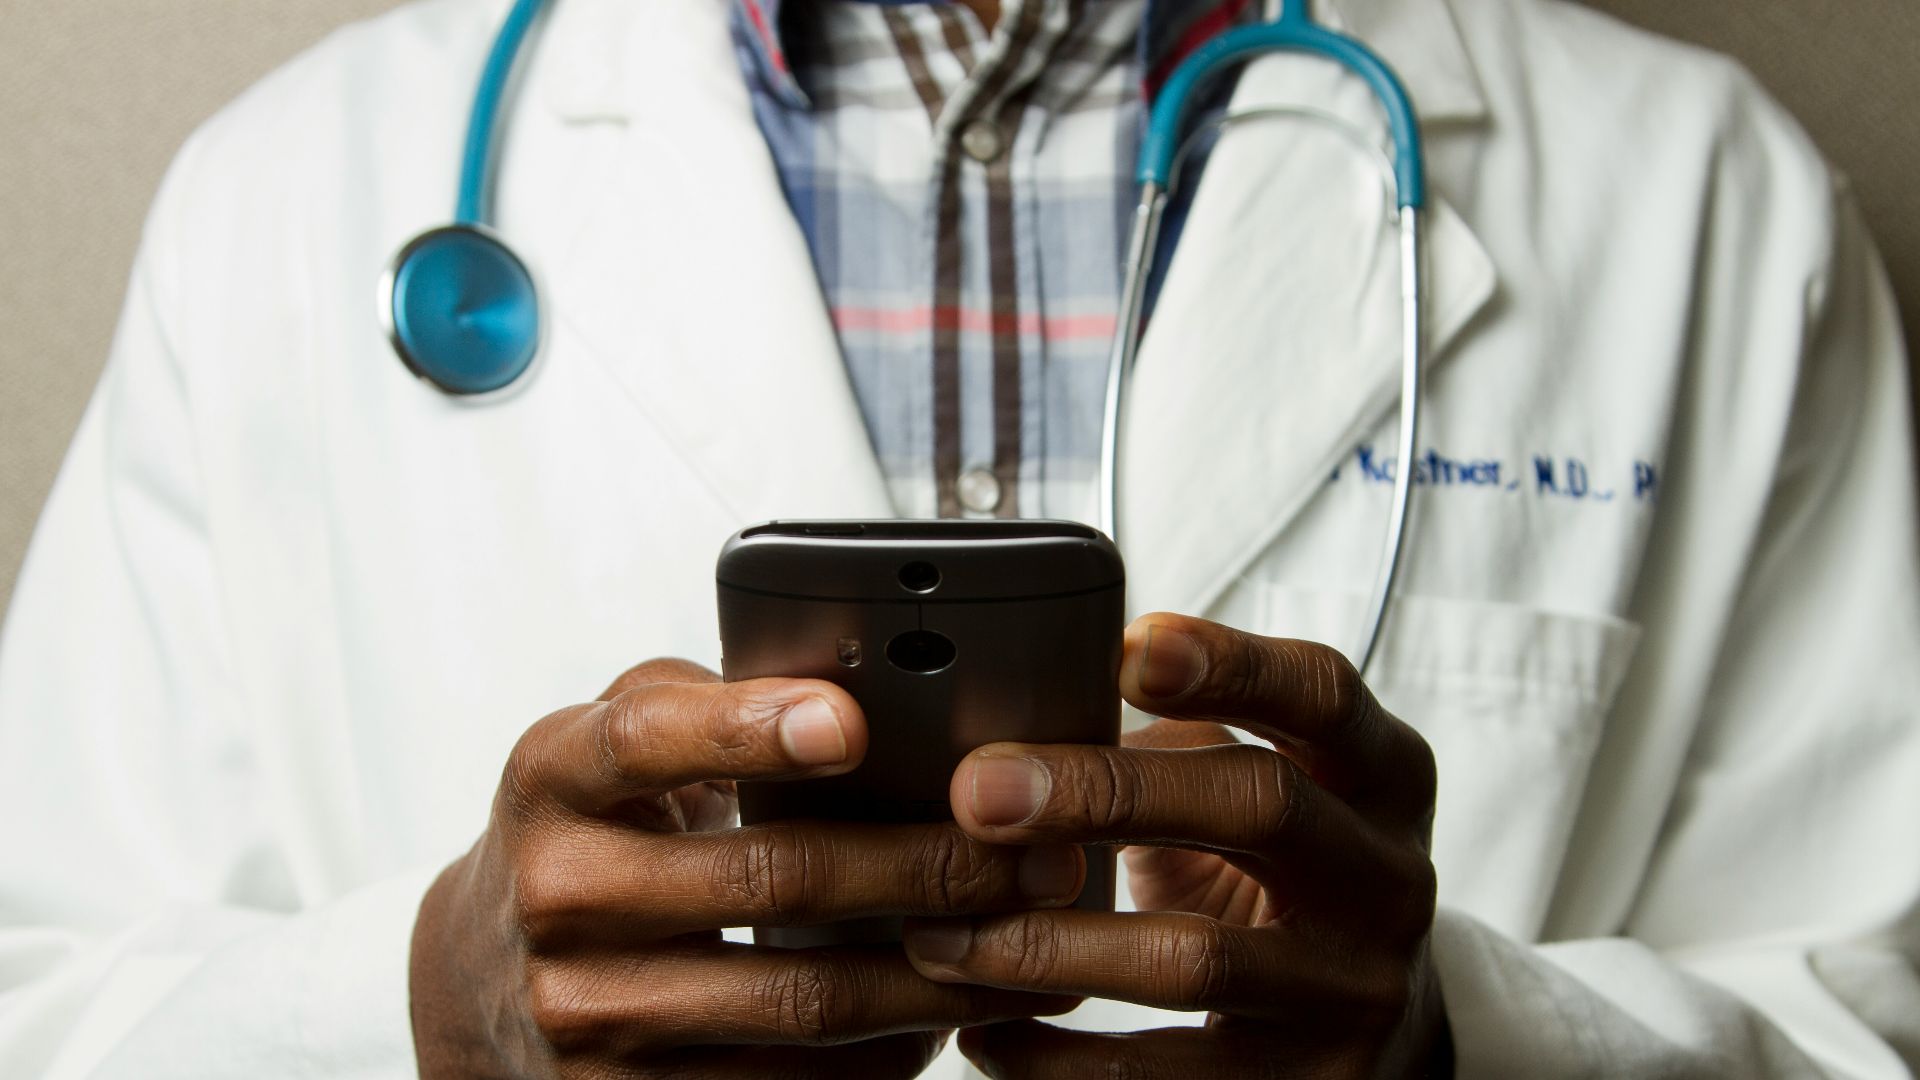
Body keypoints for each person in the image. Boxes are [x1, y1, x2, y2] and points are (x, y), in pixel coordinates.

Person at [1, 0, 1916, 1076]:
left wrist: (1454, 1051)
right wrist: (422, 1014)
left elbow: (1869, 1024)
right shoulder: (280, 203)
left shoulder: (1708, 206)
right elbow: (46, 1009)